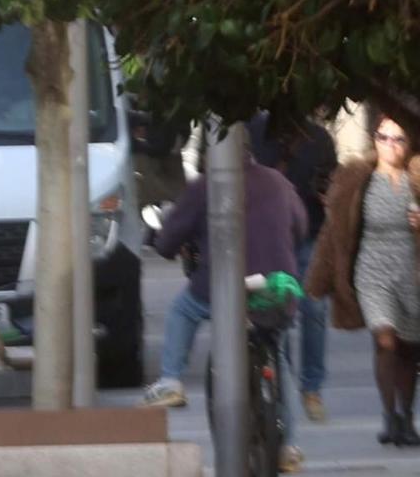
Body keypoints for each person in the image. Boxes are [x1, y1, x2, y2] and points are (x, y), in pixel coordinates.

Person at [142, 152, 309, 411]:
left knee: (183, 310)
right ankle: (288, 434)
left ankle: (170, 381)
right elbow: (301, 228)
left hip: (223, 289)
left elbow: (167, 244)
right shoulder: (278, 181)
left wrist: (163, 240)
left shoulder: (205, 186)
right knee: (278, 354)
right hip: (276, 286)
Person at [307, 114, 420, 445]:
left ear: (409, 144)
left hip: (410, 272)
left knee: (409, 348)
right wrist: (319, 279)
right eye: (383, 137)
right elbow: (334, 231)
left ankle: (406, 417)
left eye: (397, 139)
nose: (389, 145)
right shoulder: (358, 178)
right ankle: (389, 416)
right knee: (385, 340)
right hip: (371, 270)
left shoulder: (416, 178)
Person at [252, 113, 339, 422]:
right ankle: (283, 383)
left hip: (309, 235)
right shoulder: (254, 132)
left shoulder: (319, 138)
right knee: (278, 312)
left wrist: (326, 191)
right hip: (270, 240)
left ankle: (312, 388)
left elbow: (331, 181)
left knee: (315, 310)